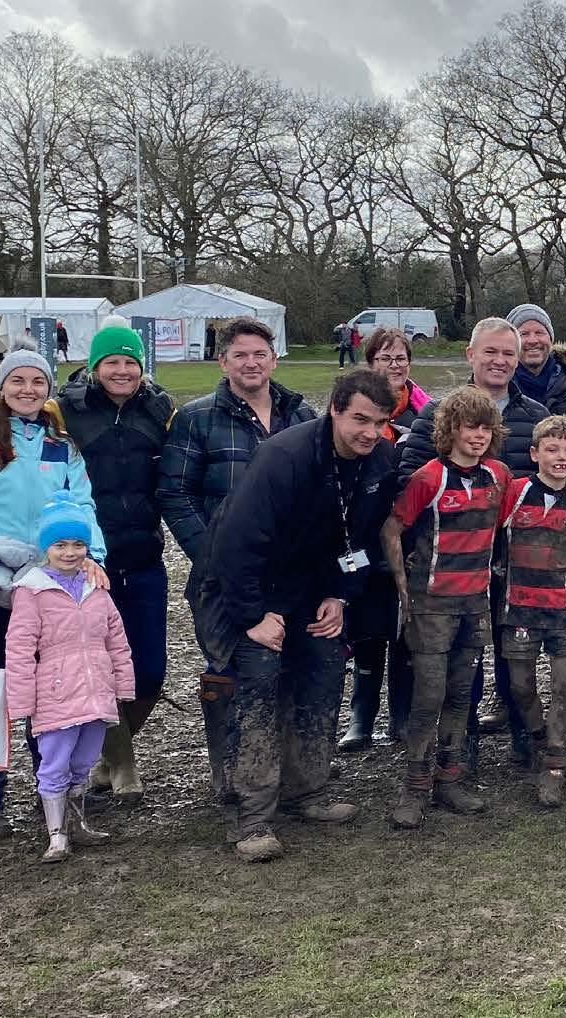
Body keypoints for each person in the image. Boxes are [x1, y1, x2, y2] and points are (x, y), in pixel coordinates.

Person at [0, 321, 175, 801]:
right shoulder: (51, 416)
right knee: (8, 686)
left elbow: (84, 498)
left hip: (105, 562)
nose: (121, 370)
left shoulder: (153, 411)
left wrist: (94, 554)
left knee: (128, 674)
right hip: (22, 575)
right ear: (93, 367)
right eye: (110, 361)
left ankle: (73, 775)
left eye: (130, 361)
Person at [196, 369, 398, 861]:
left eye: (379, 422)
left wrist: (340, 595)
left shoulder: (380, 461)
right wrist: (252, 616)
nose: (370, 432)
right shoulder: (284, 457)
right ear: (335, 410)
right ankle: (250, 816)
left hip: (310, 588)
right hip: (241, 587)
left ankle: (306, 789)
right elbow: (236, 543)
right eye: (360, 420)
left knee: (324, 671)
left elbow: (362, 540)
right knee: (256, 683)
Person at [0, 341, 107, 839]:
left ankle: (52, 788)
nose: (27, 390)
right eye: (17, 380)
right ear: (1, 386)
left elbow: (83, 506)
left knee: (54, 690)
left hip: (50, 583)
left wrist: (93, 558)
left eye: (37, 381)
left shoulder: (61, 444)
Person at [160, 319, 314, 809]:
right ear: (223, 361)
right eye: (241, 354)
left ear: (274, 359)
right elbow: (176, 493)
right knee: (233, 671)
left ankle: (291, 781)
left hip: (288, 573)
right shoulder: (198, 418)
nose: (251, 363)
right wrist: (213, 555)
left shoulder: (300, 414)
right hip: (223, 578)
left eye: (260, 353)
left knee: (293, 668)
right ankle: (234, 783)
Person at [381, 386, 513, 828]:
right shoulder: (429, 477)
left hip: (475, 603)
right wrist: (404, 588)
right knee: (428, 695)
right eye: (470, 427)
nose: (479, 435)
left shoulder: (498, 474)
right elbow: (392, 529)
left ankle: (449, 778)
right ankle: (414, 787)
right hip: (432, 605)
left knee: (460, 693)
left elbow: (507, 521)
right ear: (450, 429)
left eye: (486, 428)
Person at [7, 494, 135, 863]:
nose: (70, 552)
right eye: (60, 544)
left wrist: (122, 684)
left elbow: (116, 639)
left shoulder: (97, 588)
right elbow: (19, 647)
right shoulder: (31, 591)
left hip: (96, 692)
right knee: (54, 763)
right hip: (56, 693)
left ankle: (78, 824)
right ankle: (57, 834)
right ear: (45, 547)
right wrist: (22, 700)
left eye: (78, 544)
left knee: (84, 760)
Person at [339, 326, 430, 752]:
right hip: (365, 532)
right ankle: (362, 713)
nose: (394, 365)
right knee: (369, 626)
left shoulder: (426, 411)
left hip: (411, 532)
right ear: (370, 362)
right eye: (385, 358)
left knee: (407, 624)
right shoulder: (357, 412)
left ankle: (402, 713)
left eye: (400, 358)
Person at [498, 415, 566, 807]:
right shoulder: (515, 491)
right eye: (552, 449)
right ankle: (537, 739)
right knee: (520, 686)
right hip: (519, 607)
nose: (561, 457)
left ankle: (554, 761)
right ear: (535, 453)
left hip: (563, 609)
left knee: (565, 686)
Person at [400, 318, 545, 477]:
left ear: (517, 360)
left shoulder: (538, 416)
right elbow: (410, 479)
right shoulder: (435, 413)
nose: (499, 361)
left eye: (508, 354)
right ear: (470, 355)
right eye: (490, 352)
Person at [510, 304, 566, 416]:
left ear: (550, 339)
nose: (533, 340)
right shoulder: (498, 387)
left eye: (539, 332)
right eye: (524, 334)